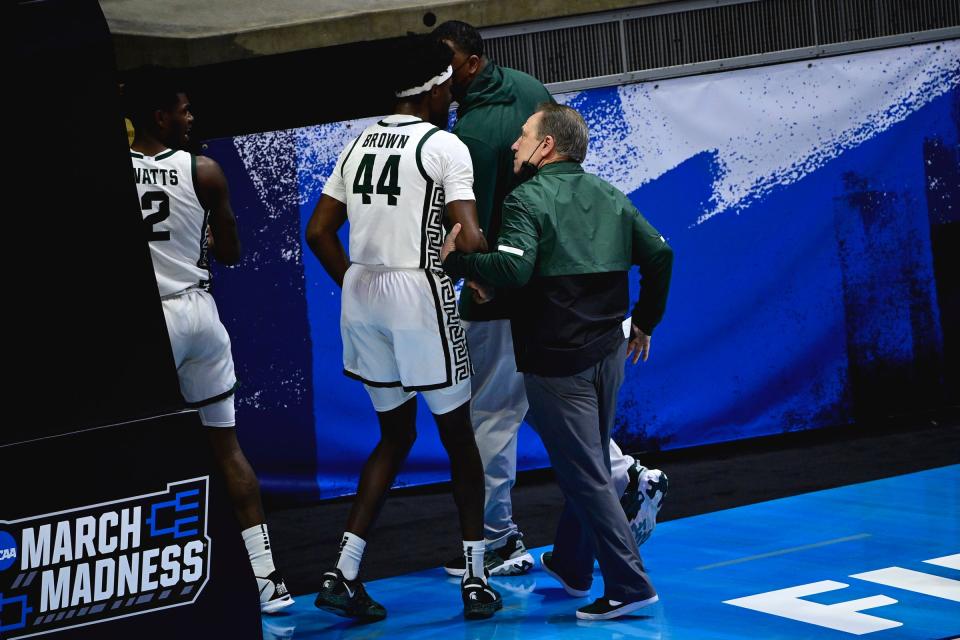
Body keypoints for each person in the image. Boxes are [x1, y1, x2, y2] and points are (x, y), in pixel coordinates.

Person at [432, 20, 668, 578]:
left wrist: (467, 268)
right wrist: (645, 323)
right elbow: (659, 254)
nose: (517, 142)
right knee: (567, 425)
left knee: (495, 414)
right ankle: (619, 488)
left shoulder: (478, 144)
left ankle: (502, 540)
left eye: (525, 140)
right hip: (586, 311)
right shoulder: (533, 93)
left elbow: (500, 256)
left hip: (523, 295)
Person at [304, 36, 502, 621]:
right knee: (459, 438)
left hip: (362, 295)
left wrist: (356, 287)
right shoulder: (444, 145)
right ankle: (474, 577)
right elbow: (469, 235)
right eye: (448, 86)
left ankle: (342, 571)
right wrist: (470, 259)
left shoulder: (357, 141)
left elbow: (318, 231)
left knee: (394, 437)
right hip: (419, 295)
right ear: (436, 88)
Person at [125, 67, 294, 614]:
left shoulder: (109, 173)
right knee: (227, 447)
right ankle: (269, 582)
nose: (192, 117)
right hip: (200, 313)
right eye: (184, 109)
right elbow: (230, 254)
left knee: (137, 450)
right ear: (160, 116)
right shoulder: (205, 171)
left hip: (151, 321)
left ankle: (152, 583)